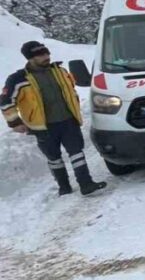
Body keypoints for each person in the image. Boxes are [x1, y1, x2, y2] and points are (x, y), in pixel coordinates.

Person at [1, 41, 107, 196]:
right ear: (30, 58)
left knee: (76, 152)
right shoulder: (18, 79)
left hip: (68, 120)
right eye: (40, 55)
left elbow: (71, 90)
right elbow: (5, 101)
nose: (46, 57)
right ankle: (64, 187)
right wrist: (15, 122)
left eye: (47, 53)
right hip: (42, 126)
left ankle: (86, 184)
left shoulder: (60, 71)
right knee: (54, 157)